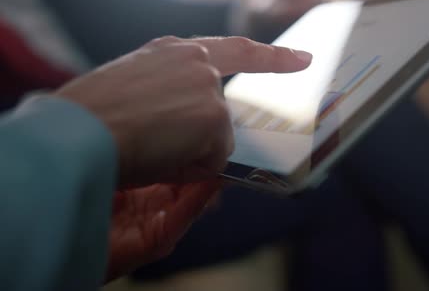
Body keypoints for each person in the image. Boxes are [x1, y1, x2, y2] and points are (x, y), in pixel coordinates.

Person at [1, 0, 429, 290]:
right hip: (47, 195)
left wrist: (258, 8)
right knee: (351, 142)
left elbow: (131, 11)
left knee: (335, 156)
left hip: (133, 177)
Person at [0, 35, 313, 290]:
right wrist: (83, 131)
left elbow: (142, 11)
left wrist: (73, 245)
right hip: (80, 177)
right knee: (323, 183)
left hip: (104, 197)